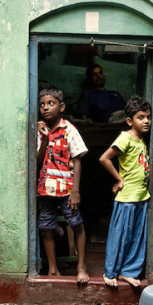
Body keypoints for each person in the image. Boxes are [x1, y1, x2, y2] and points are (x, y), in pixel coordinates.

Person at [36, 87, 91, 284]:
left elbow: (77, 160)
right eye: (42, 104)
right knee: (45, 227)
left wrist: (75, 191)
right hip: (46, 189)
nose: (45, 108)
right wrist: (43, 138)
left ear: (62, 106)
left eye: (50, 103)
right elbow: (39, 159)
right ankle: (53, 269)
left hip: (67, 189)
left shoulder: (69, 129)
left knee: (76, 224)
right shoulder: (40, 130)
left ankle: (81, 266)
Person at [98, 96, 152, 288]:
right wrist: (118, 179)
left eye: (148, 117)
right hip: (127, 197)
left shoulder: (142, 140)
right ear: (130, 121)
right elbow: (104, 158)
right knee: (120, 237)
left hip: (141, 197)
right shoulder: (125, 137)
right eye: (140, 117)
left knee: (137, 238)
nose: (146, 121)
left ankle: (128, 272)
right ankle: (110, 272)